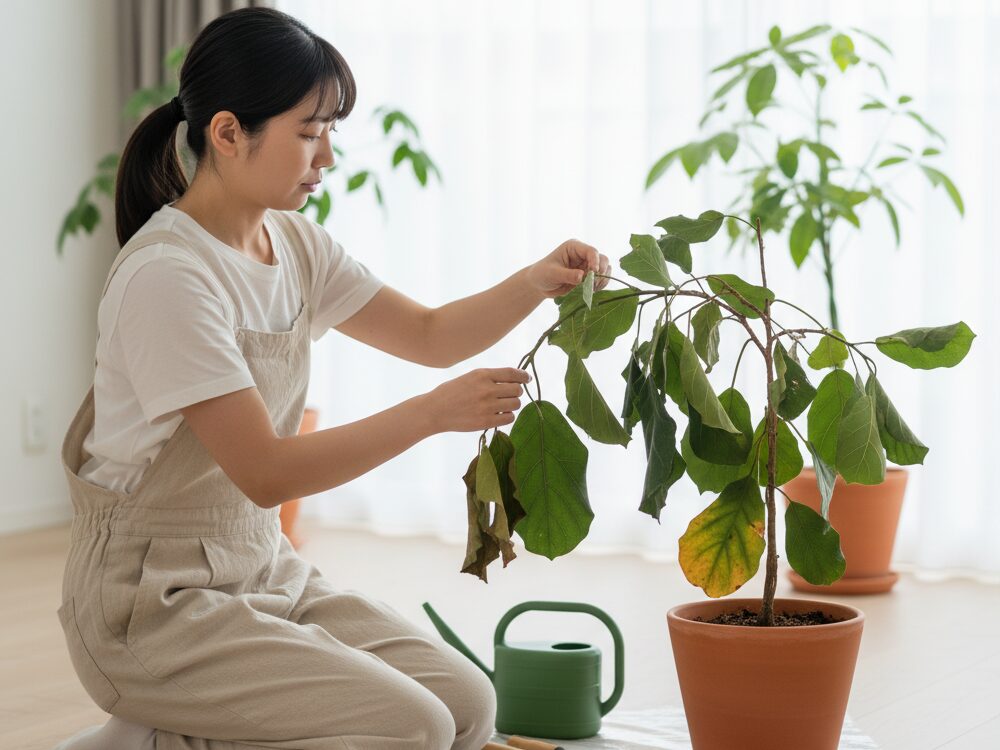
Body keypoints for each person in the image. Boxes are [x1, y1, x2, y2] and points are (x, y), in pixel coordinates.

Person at [53, 6, 610, 750]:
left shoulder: (294, 242)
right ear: (227, 133)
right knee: (412, 728)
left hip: (260, 570)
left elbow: (429, 334)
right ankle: (157, 738)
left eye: (330, 134)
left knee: (470, 705)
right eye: (309, 134)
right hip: (151, 605)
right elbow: (264, 471)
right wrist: (431, 414)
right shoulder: (168, 277)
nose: (328, 158)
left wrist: (538, 280)